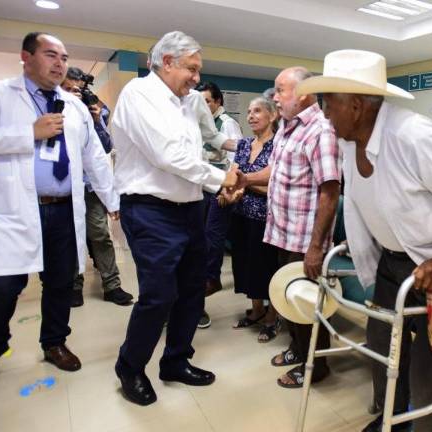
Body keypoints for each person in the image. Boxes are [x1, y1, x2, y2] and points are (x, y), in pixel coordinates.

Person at [296, 49, 432, 431]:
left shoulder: (411, 135)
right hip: (395, 263)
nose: (324, 114)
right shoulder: (350, 140)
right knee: (382, 348)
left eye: (328, 104)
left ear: (357, 105)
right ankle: (393, 420)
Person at [0, 32, 120, 400]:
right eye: (50, 55)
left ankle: (54, 343)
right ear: (25, 57)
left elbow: (93, 156)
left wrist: (113, 200)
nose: (59, 63)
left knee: (61, 284)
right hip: (12, 212)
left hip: (62, 211)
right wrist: (26, 133)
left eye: (64, 57)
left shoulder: (73, 107)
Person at [111, 30, 240, 406]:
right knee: (158, 296)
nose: (197, 79)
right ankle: (130, 367)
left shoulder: (187, 102)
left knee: (190, 291)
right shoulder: (140, 95)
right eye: (192, 69)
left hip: (189, 208)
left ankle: (176, 361)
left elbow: (208, 141)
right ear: (167, 62)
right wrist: (222, 180)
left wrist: (222, 178)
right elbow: (168, 156)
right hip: (151, 211)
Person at [233, 66, 340, 388]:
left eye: (281, 90)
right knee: (289, 299)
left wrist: (316, 247)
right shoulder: (288, 129)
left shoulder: (320, 131)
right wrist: (246, 178)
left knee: (308, 304)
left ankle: (316, 367)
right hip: (281, 232)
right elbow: (275, 171)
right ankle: (297, 349)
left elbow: (330, 190)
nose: (275, 97)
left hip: (305, 239)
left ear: (304, 94)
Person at [60, 67, 133, 307]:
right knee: (71, 237)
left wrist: (94, 120)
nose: (74, 94)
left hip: (91, 187)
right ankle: (73, 286)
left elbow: (104, 148)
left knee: (100, 235)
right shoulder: (56, 110)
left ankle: (112, 285)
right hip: (65, 186)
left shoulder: (89, 111)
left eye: (77, 90)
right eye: (68, 89)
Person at [221, 96, 280, 342]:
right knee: (245, 265)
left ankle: (273, 316)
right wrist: (230, 190)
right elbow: (233, 175)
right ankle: (256, 310)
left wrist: (246, 185)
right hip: (241, 214)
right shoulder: (244, 144)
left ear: (272, 115)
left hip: (266, 218)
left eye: (257, 111)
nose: (251, 116)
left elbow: (275, 185)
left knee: (267, 267)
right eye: (248, 112)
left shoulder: (279, 145)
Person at [195, 80, 243, 329]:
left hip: (220, 189)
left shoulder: (227, 124)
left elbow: (236, 157)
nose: (203, 105)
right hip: (201, 188)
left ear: (218, 102)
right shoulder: (200, 123)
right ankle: (204, 280)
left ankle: (211, 279)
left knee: (213, 236)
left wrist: (229, 187)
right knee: (201, 238)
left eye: (207, 101)